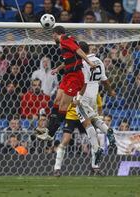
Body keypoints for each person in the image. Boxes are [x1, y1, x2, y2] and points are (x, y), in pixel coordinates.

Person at [53, 41, 116, 177]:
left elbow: (83, 83)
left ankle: (95, 167)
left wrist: (78, 97)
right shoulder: (98, 60)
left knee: (88, 130)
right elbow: (104, 81)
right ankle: (57, 168)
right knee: (68, 139)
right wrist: (111, 91)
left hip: (79, 102)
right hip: (77, 110)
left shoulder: (81, 65)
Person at [46, 26, 96, 143]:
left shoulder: (64, 39)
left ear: (55, 34)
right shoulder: (65, 44)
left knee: (63, 105)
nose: (52, 38)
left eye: (52, 35)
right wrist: (58, 69)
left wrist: (89, 62)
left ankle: (50, 133)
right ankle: (48, 129)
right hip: (67, 75)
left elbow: (78, 50)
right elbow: (70, 60)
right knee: (57, 100)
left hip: (75, 76)